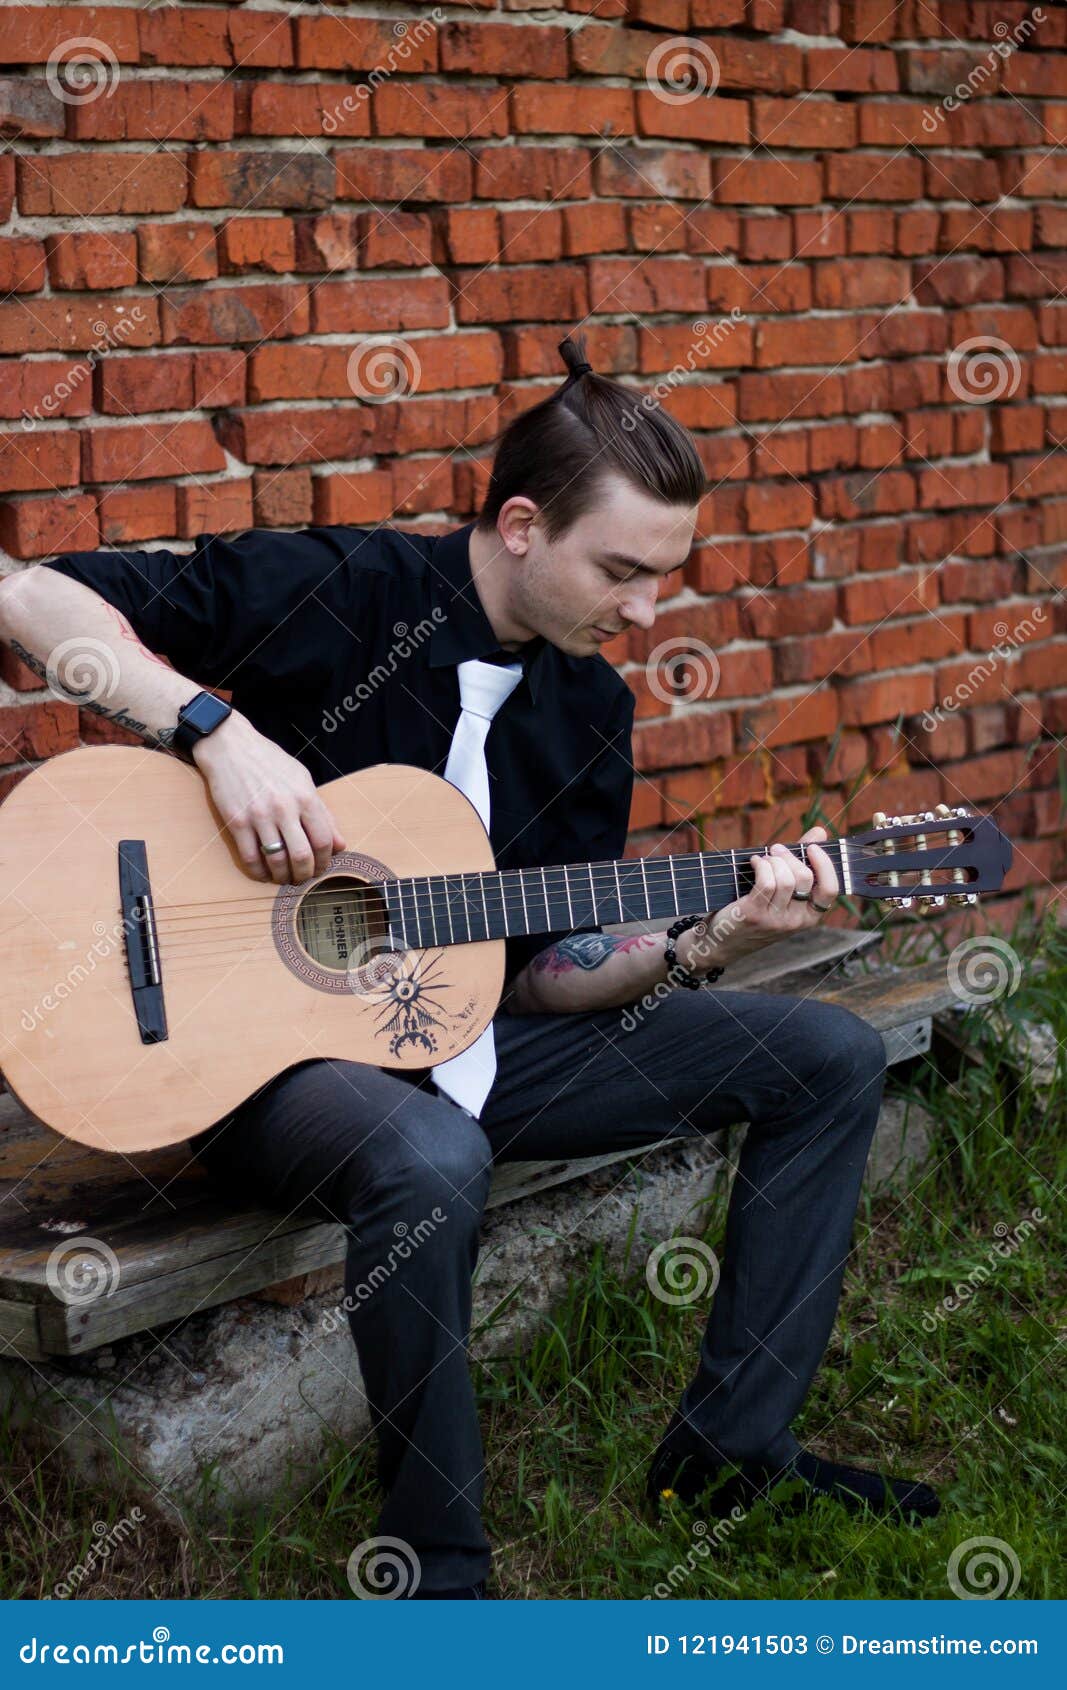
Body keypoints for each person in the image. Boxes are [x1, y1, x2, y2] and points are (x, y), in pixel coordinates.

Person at [0, 331, 937, 1600]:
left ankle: (729, 1452)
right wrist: (212, 732)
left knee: (824, 1051)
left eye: (664, 577)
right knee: (433, 1156)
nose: (645, 609)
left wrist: (709, 938)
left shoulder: (587, 709)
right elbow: (26, 593)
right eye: (620, 569)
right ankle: (441, 1575)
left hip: (467, 1035)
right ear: (515, 526)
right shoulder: (347, 589)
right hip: (254, 1056)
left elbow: (549, 971)